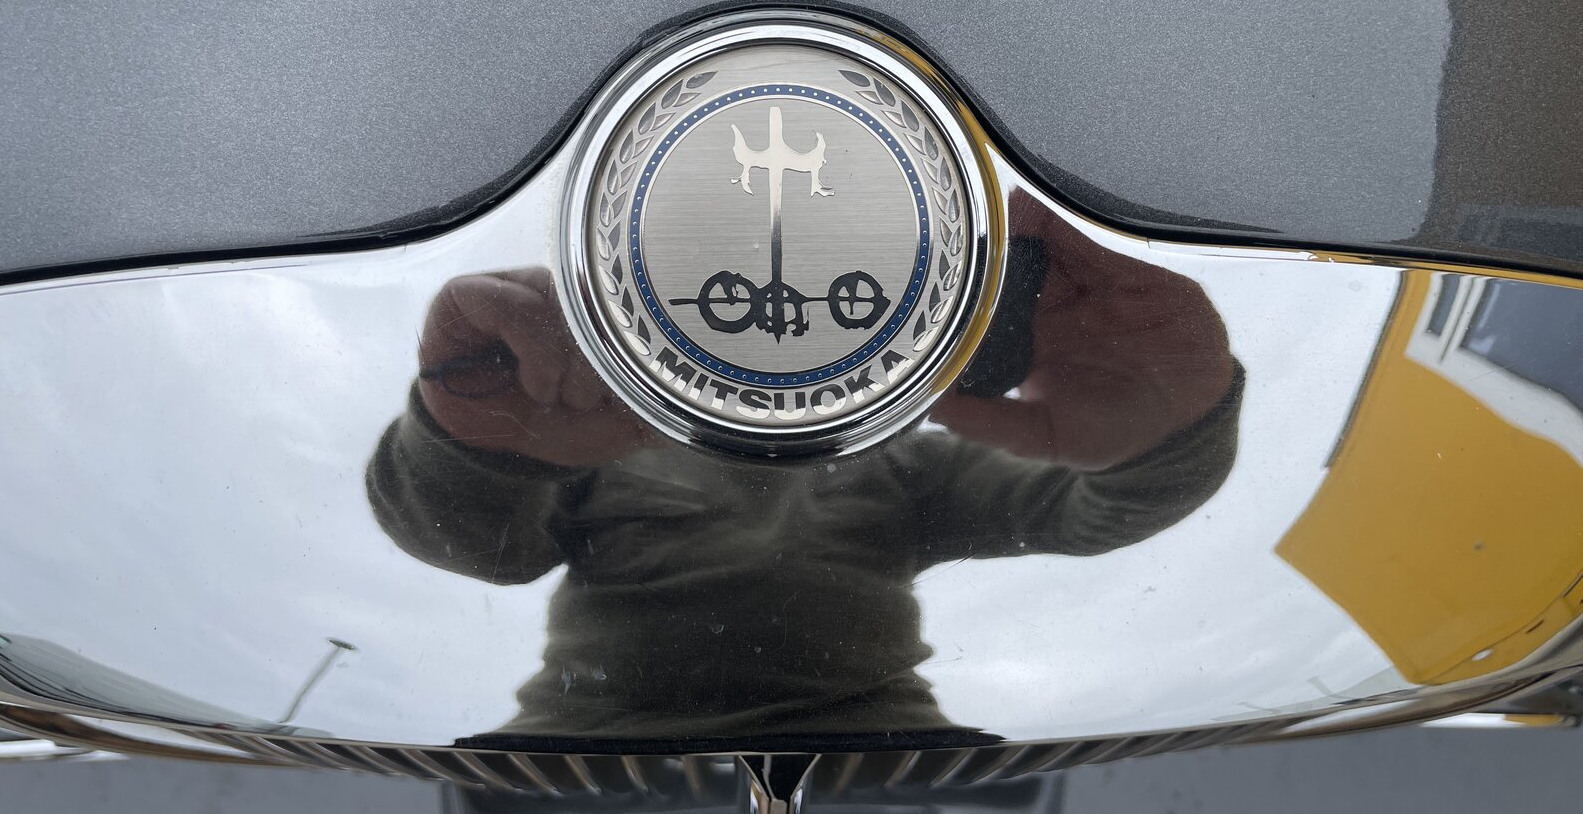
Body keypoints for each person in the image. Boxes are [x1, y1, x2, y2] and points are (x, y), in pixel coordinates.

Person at [366, 194, 1241, 745]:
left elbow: (1087, 512)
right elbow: (476, 546)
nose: (777, 297)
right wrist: (472, 437)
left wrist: (1170, 431)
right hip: (587, 744)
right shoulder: (596, 432)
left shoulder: (907, 457)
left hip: (879, 745)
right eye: (735, 274)